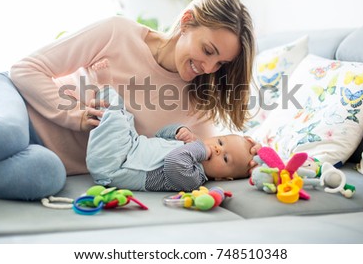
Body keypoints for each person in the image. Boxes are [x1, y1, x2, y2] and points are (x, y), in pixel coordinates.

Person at [0, 0, 258, 201]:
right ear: (187, 21)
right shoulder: (119, 33)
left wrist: (253, 157)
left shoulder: (197, 108)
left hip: (43, 155)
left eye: (220, 64)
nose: (207, 67)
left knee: (47, 176)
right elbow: (25, 69)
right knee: (7, 135)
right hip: (12, 100)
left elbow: (217, 155)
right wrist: (74, 116)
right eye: (207, 51)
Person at [85, 59, 259, 191]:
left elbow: (173, 161)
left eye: (226, 159)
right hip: (131, 147)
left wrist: (200, 148)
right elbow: (160, 135)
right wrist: (179, 131)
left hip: (115, 166)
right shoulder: (191, 147)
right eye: (220, 142)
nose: (218, 150)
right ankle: (102, 98)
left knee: (115, 116)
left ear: (223, 179)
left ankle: (104, 86)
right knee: (125, 116)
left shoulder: (194, 178)